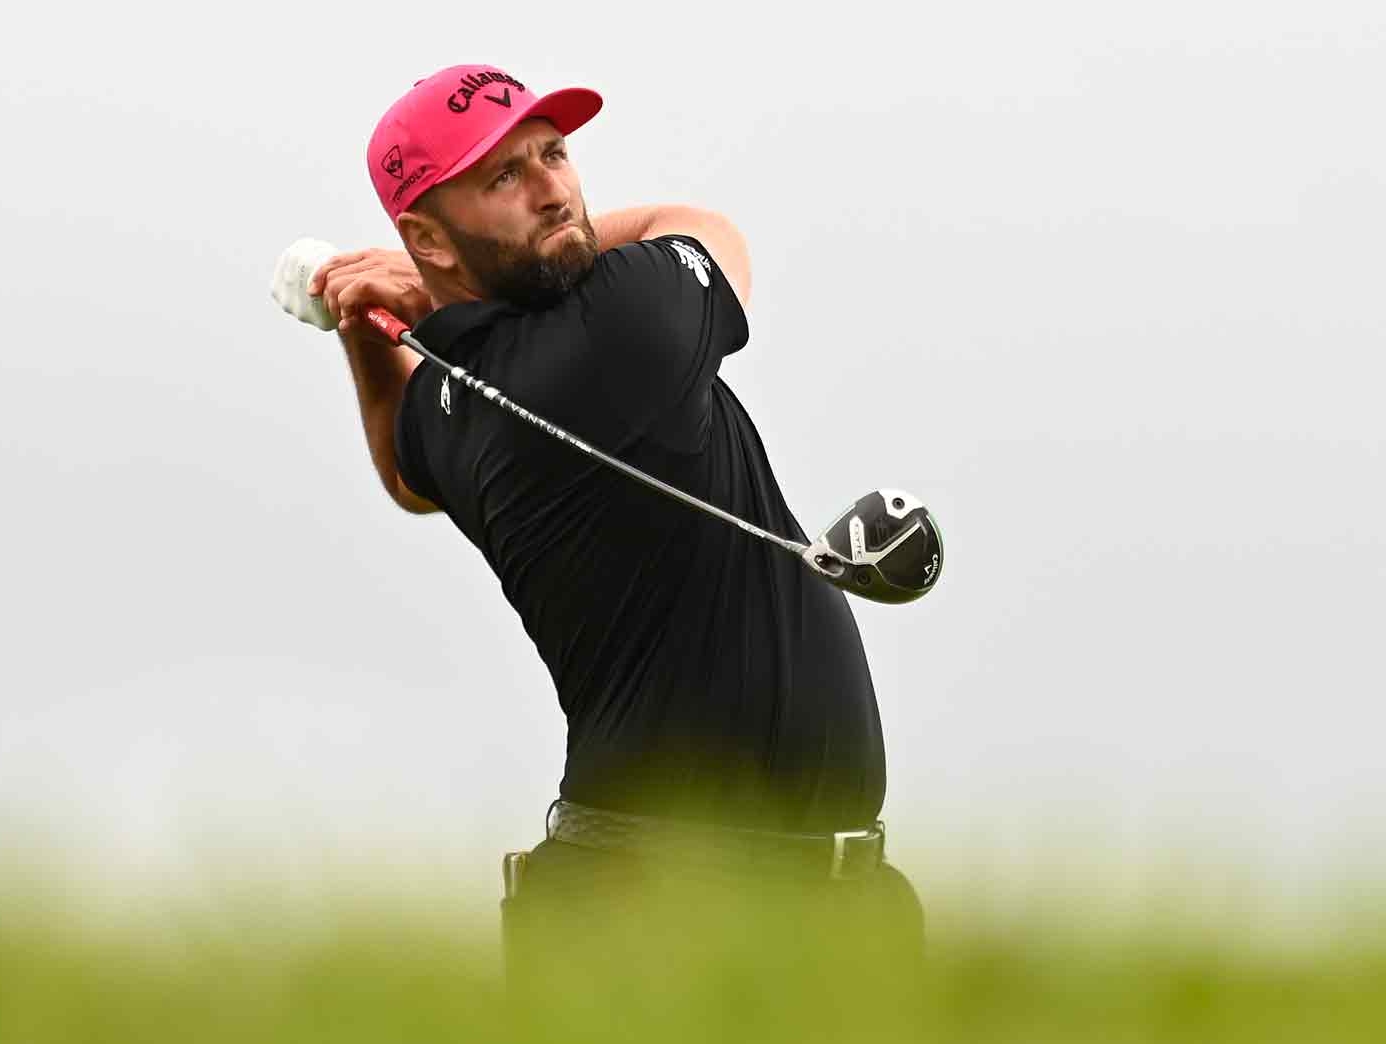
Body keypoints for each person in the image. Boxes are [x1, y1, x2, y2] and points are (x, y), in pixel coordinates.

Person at [306, 64, 924, 991]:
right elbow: (708, 230)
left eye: (553, 153)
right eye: (502, 178)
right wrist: (408, 296)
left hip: (695, 889)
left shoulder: (449, 399)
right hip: (674, 902)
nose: (553, 187)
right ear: (426, 237)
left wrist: (362, 315)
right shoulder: (624, 323)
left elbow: (405, 472)